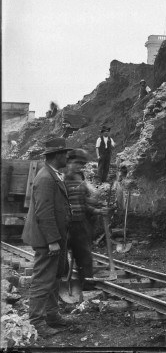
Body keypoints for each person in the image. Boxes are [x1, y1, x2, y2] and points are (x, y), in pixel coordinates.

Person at [21, 137, 73, 336]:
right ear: (57, 155)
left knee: (55, 277)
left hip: (57, 237)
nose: (67, 156)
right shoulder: (45, 178)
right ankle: (36, 322)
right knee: (43, 280)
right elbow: (44, 213)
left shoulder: (53, 175)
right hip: (47, 240)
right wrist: (52, 241)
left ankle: (52, 315)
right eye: (65, 153)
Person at [65, 149, 107, 290]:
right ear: (69, 161)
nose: (78, 166)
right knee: (59, 260)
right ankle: (59, 286)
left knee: (85, 257)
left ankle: (87, 286)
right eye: (76, 163)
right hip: (64, 225)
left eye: (81, 164)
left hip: (79, 225)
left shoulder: (80, 178)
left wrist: (97, 210)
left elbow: (83, 204)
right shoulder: (60, 178)